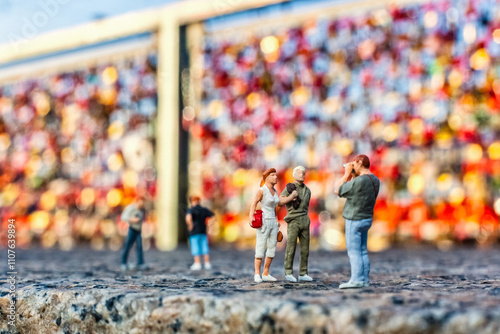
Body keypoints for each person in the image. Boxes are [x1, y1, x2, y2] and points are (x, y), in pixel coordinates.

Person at [334, 154, 380, 289]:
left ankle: (357, 280)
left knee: (354, 252)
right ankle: (364, 279)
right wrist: (354, 175)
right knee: (363, 251)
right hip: (366, 218)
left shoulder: (359, 181)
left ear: (359, 163)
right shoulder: (375, 179)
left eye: (354, 164)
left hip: (354, 219)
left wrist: (347, 173)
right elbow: (357, 191)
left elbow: (338, 190)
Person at [249, 168, 298, 283]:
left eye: (276, 175)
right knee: (260, 248)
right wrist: (251, 214)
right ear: (267, 178)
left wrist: (290, 198)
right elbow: (254, 202)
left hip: (273, 222)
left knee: (272, 249)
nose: (275, 178)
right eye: (273, 175)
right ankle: (257, 273)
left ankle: (266, 272)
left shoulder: (274, 191)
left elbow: (278, 203)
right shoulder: (262, 190)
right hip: (264, 221)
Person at [279, 166, 313, 282]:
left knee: (305, 249)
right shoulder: (289, 188)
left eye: (303, 173)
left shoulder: (307, 190)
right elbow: (280, 201)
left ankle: (303, 272)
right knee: (291, 247)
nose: (302, 175)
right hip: (293, 220)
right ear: (294, 175)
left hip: (304, 219)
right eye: (299, 173)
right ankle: (288, 272)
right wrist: (291, 197)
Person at [185, 196, 215, 270]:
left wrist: (190, 225)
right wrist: (209, 225)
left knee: (196, 247)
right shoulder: (204, 209)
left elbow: (188, 218)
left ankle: (197, 263)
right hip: (203, 231)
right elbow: (213, 216)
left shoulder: (191, 209)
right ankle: (207, 263)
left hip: (194, 232)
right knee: (205, 247)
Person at [121, 196, 147, 271]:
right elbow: (123, 217)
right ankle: (123, 263)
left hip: (138, 230)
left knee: (139, 247)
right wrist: (133, 220)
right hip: (132, 230)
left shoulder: (142, 210)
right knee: (127, 246)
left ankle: (140, 263)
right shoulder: (131, 208)